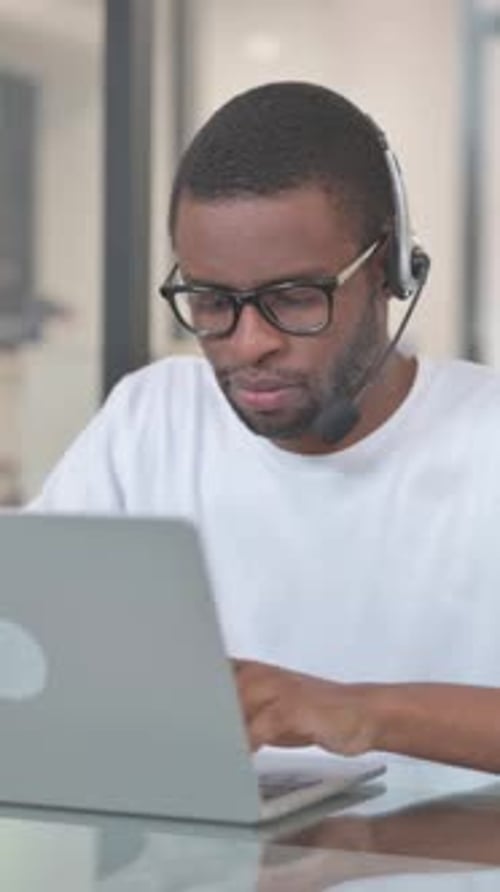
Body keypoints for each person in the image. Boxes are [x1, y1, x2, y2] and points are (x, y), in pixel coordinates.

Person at [30, 81, 500, 773]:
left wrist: (358, 712)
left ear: (392, 271)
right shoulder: (149, 418)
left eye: (292, 297)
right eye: (212, 301)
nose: (249, 344)